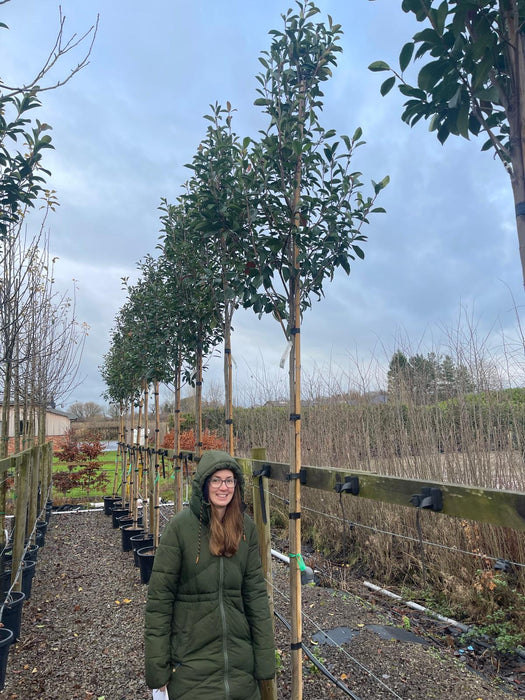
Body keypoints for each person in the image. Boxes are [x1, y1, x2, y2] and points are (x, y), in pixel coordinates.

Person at [144, 449, 276, 699]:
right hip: (191, 665)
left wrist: (264, 660)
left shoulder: (245, 528)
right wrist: (158, 669)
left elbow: (256, 597)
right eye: (216, 480)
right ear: (203, 485)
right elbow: (159, 604)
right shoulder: (180, 529)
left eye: (229, 480)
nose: (223, 487)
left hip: (240, 665)